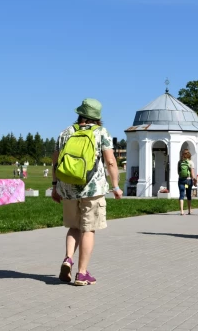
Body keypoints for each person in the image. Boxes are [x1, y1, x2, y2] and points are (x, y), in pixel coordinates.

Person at [51, 98, 122, 286]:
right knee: (88, 229)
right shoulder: (101, 133)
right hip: (93, 188)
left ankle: (68, 259)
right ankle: (82, 273)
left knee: (73, 227)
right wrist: (115, 186)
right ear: (97, 117)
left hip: (67, 187)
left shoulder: (65, 132)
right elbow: (111, 162)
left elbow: (56, 162)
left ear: (80, 114)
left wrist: (54, 185)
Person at [177, 149, 196, 216]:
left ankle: (182, 211)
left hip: (181, 180)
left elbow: (178, 172)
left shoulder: (180, 162)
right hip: (188, 181)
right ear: (189, 155)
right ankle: (189, 210)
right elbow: (192, 173)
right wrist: (194, 179)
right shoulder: (191, 162)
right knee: (188, 195)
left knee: (181, 195)